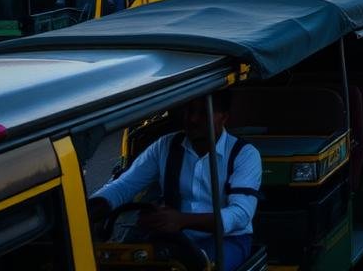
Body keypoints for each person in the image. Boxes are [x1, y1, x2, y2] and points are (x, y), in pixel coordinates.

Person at [88, 93, 261, 271]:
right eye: (189, 110)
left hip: (227, 239)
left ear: (224, 117)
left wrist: (182, 220)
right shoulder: (165, 146)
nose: (192, 119)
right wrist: (91, 209)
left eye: (203, 113)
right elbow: (125, 186)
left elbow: (240, 215)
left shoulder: (245, 154)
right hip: (173, 237)